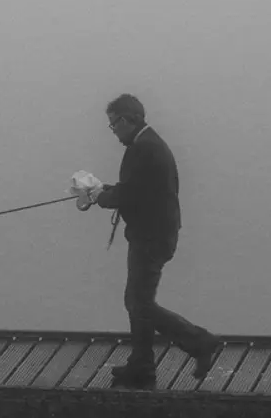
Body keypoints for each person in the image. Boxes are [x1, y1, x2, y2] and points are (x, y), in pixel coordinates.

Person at [83, 94, 220, 388]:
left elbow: (128, 194)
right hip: (156, 233)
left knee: (139, 302)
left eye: (113, 124)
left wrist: (99, 197)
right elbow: (136, 188)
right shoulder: (149, 144)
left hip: (151, 236)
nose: (113, 131)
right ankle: (142, 365)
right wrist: (104, 190)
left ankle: (199, 342)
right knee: (138, 300)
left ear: (126, 119)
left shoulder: (143, 149)